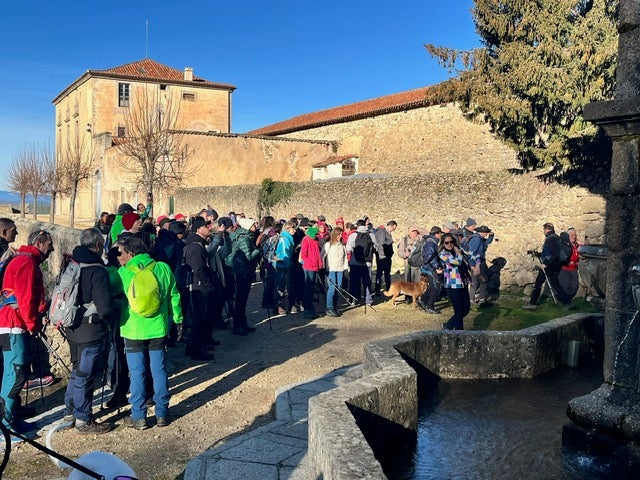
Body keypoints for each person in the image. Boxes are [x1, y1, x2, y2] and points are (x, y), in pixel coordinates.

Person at [116, 235, 183, 429]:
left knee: (137, 372)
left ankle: (139, 416)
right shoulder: (162, 268)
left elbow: (112, 293)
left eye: (120, 253)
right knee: (159, 370)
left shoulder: (124, 273)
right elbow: (174, 296)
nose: (119, 256)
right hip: (158, 328)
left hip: (133, 330)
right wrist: (178, 320)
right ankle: (162, 413)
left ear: (130, 253)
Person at [0, 229, 54, 432]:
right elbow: (24, 297)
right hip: (14, 325)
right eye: (49, 244)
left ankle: (11, 419)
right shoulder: (27, 262)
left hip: (13, 323)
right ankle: (5, 425)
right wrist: (33, 325)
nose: (52, 249)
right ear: (39, 243)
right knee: (16, 375)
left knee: (13, 374)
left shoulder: (23, 259)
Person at [63, 228, 113, 434]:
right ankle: (83, 419)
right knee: (86, 374)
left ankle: (70, 411)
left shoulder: (72, 264)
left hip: (71, 326)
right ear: (99, 245)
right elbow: (104, 306)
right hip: (90, 329)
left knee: (76, 371)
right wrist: (111, 317)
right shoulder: (97, 270)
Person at [182, 217, 217, 360]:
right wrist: (208, 284)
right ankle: (197, 349)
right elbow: (198, 269)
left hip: (199, 286)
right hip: (199, 288)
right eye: (205, 226)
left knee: (201, 318)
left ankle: (196, 346)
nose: (209, 228)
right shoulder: (195, 247)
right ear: (198, 229)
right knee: (198, 319)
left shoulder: (198, 245)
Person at [523, 223, 573, 310]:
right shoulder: (556, 238)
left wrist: (546, 264)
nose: (544, 231)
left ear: (546, 229)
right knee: (555, 283)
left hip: (549, 265)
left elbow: (554, 254)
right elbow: (550, 253)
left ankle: (532, 303)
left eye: (544, 230)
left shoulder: (550, 239)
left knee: (538, 283)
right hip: (555, 264)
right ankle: (567, 302)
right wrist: (538, 254)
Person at [227, 218, 260, 336]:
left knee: (242, 300)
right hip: (242, 272)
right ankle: (238, 325)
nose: (255, 227)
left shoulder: (245, 237)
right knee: (241, 299)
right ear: (248, 227)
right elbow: (248, 257)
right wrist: (258, 250)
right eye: (253, 225)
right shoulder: (244, 240)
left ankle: (242, 323)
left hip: (244, 271)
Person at [439, 233, 472, 330]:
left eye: (451, 242)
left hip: (462, 283)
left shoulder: (457, 250)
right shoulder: (443, 254)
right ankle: (459, 333)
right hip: (452, 285)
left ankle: (448, 325)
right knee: (458, 311)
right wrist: (459, 254)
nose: (449, 244)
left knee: (465, 309)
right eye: (447, 243)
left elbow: (469, 255)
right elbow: (457, 262)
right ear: (443, 244)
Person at [346, 219, 377, 307]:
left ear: (358, 226)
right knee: (367, 282)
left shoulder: (353, 235)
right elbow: (376, 247)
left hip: (355, 262)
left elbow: (348, 248)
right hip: (367, 262)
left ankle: (353, 300)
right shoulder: (371, 235)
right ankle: (368, 301)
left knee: (354, 281)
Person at [416, 226, 443, 314]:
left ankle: (422, 300)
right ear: (436, 234)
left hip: (427, 268)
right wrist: (436, 268)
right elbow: (428, 258)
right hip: (429, 269)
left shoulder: (430, 242)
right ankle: (430, 306)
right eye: (440, 233)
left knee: (432, 287)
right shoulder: (431, 243)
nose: (441, 235)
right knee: (436, 287)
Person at [466, 225, 495, 307]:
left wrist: (491, 236)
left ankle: (477, 299)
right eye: (486, 233)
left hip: (479, 262)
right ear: (482, 232)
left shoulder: (479, 239)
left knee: (481, 280)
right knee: (478, 281)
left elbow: (486, 243)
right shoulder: (476, 240)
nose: (486, 234)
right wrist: (472, 264)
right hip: (477, 263)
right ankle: (473, 300)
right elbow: (472, 252)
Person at [272, 221, 296, 315]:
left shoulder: (285, 238)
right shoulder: (285, 239)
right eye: (293, 228)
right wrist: (289, 264)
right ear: (288, 229)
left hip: (281, 264)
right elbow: (285, 254)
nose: (294, 230)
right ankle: (279, 306)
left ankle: (279, 306)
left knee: (281, 285)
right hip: (282, 265)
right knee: (281, 286)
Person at [323, 227, 348, 316]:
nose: (340, 236)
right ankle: (329, 307)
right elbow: (323, 256)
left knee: (338, 288)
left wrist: (346, 269)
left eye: (341, 234)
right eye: (339, 234)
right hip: (331, 269)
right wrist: (323, 268)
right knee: (332, 288)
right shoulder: (328, 245)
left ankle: (334, 306)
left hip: (340, 269)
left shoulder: (342, 246)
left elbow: (345, 258)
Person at [300, 225, 323, 320]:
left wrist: (319, 264)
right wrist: (312, 263)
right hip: (309, 267)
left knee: (311, 288)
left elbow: (317, 254)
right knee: (308, 288)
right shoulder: (306, 240)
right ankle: (307, 308)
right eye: (316, 234)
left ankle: (310, 307)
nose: (317, 235)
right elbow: (304, 255)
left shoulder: (315, 241)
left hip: (315, 267)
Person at [373, 220, 397, 296]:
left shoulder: (386, 232)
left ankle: (388, 289)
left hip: (387, 256)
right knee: (379, 274)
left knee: (387, 274)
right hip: (382, 256)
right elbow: (382, 244)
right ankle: (377, 290)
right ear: (391, 226)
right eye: (394, 228)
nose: (394, 230)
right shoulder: (382, 232)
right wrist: (392, 241)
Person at [558, 227, 582, 301]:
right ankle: (565, 301)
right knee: (565, 285)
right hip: (565, 268)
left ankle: (568, 300)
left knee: (574, 285)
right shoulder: (564, 245)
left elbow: (582, 251)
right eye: (571, 234)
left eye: (574, 235)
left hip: (573, 268)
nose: (573, 236)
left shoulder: (576, 245)